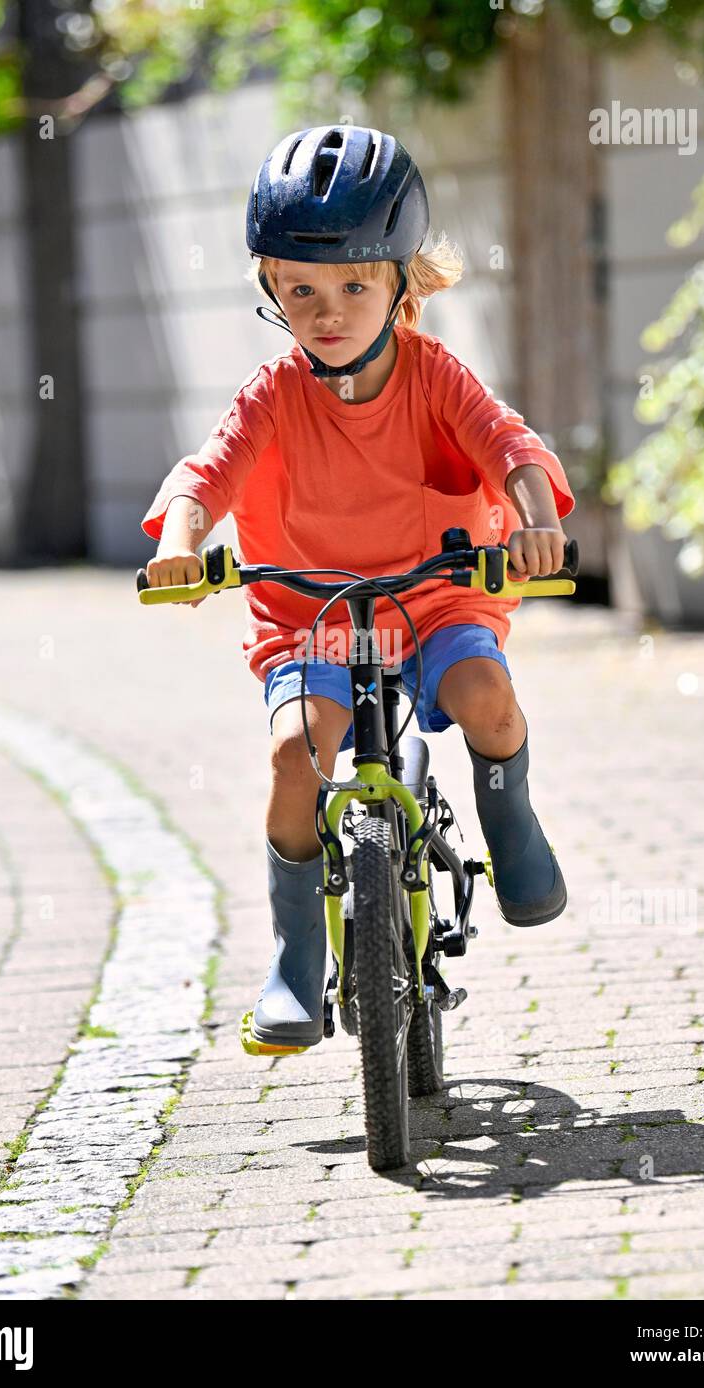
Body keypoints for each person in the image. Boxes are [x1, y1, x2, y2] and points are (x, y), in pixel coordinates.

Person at [140, 125, 575, 1050]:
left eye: (352, 287)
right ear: (270, 290)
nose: (325, 312)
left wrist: (536, 521)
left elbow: (508, 446)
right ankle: (298, 959)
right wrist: (181, 543)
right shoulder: (271, 394)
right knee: (296, 756)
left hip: (437, 598)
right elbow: (206, 474)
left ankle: (511, 819)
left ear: (401, 287)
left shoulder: (433, 373)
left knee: (487, 697)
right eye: (299, 291)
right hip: (314, 615)